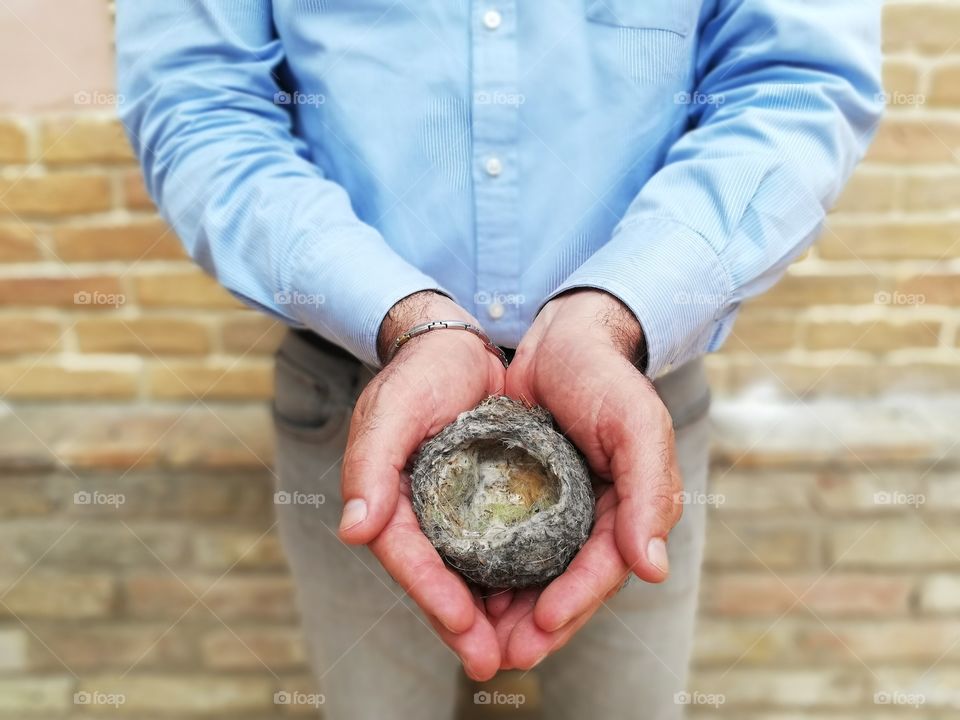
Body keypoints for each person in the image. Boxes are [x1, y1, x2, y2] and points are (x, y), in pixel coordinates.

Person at [116, 2, 882, 718]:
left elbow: (796, 84)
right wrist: (404, 319)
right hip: (360, 405)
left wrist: (614, 314)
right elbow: (198, 103)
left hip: (632, 407)